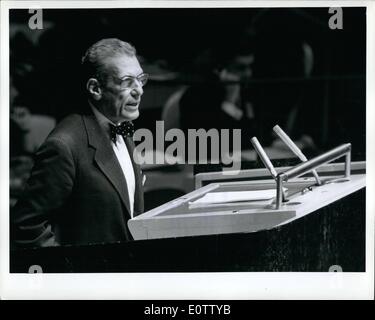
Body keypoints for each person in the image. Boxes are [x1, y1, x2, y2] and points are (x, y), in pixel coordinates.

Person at [11, 38, 147, 248]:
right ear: (95, 88)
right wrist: (70, 273)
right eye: (127, 81)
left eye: (140, 79)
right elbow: (27, 228)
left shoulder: (122, 127)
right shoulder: (63, 146)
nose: (139, 90)